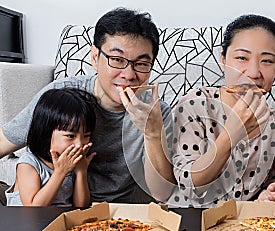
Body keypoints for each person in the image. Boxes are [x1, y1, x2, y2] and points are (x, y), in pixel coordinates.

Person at [0, 7, 174, 204]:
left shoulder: (157, 113)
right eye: (117, 60)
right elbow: (5, 141)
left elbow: (162, 193)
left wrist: (152, 132)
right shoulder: (63, 96)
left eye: (141, 64)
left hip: (122, 214)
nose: (128, 75)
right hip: (58, 206)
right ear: (94, 57)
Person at [168, 14, 275, 207]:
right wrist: (231, 134)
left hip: (249, 227)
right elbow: (190, 185)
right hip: (194, 220)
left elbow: (270, 182)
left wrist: (270, 192)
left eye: (267, 61)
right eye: (241, 58)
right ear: (223, 60)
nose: (254, 73)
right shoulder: (195, 105)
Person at [5, 89, 95, 207]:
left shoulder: (71, 162)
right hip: (25, 222)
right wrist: (60, 172)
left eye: (86, 136)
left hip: (59, 222)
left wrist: (81, 171)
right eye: (70, 136)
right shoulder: (29, 164)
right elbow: (33, 208)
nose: (79, 144)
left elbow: (81, 206)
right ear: (45, 133)